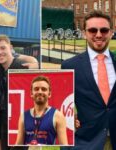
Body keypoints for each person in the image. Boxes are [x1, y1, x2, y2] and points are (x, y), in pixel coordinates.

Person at [61, 10, 116, 150]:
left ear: (111, 32)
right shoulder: (69, 66)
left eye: (104, 30)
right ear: (84, 33)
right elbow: (60, 105)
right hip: (87, 142)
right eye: (92, 30)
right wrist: (70, 116)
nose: (98, 35)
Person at [0, 34, 39, 150]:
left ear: (11, 48)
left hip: (21, 123)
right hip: (6, 119)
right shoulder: (0, 69)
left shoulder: (22, 68)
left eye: (3, 48)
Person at [15, 75, 68, 145]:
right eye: (36, 89)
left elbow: (64, 146)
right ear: (31, 93)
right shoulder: (24, 116)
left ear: (49, 94)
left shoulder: (58, 116)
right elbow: (18, 145)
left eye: (44, 89)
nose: (40, 92)